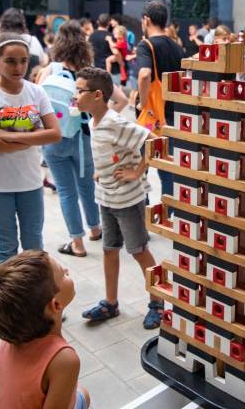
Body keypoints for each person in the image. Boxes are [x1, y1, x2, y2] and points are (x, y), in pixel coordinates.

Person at [75, 67, 163, 329]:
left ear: (98, 95)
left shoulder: (115, 122)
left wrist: (137, 171)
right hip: (106, 198)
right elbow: (108, 151)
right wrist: (100, 172)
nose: (75, 97)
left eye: (80, 92)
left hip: (127, 200)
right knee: (108, 250)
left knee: (139, 251)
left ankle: (158, 303)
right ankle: (110, 303)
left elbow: (154, 140)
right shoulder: (93, 121)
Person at [0, 33, 61, 264]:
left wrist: (6, 135)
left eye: (23, 60)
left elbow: (55, 133)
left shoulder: (36, 92)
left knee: (34, 245)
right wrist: (32, 137)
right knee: (6, 247)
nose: (18, 67)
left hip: (29, 180)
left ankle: (36, 296)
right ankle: (9, 299)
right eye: (10, 61)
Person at [0, 250, 90, 409]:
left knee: (81, 394)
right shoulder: (64, 359)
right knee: (83, 394)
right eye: (63, 273)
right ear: (56, 305)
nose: (67, 270)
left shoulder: (6, 344)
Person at [36, 20, 102, 257]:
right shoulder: (87, 72)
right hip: (82, 138)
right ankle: (95, 228)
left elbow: (37, 102)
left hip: (54, 137)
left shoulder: (49, 70)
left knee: (65, 191)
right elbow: (109, 100)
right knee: (86, 186)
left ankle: (77, 243)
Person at [136, 0, 184, 198]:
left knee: (141, 166)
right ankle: (169, 216)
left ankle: (142, 214)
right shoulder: (176, 47)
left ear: (146, 20)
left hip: (152, 116)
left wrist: (142, 100)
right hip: (174, 116)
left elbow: (145, 74)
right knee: (168, 169)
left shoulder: (146, 45)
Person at [90, 13, 122, 84]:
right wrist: (121, 63)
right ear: (109, 23)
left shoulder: (91, 36)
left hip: (97, 70)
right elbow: (116, 52)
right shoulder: (111, 36)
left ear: (98, 22)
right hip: (111, 72)